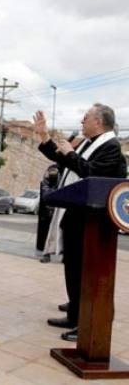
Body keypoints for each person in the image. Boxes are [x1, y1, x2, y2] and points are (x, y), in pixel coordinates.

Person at [33, 104, 126, 342]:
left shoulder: (111, 147)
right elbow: (64, 161)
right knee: (73, 268)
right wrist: (45, 136)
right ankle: (75, 312)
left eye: (86, 117)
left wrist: (71, 154)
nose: (82, 121)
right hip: (76, 217)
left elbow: (90, 173)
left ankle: (85, 322)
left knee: (85, 273)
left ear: (99, 122)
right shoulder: (87, 143)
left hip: (94, 223)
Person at [36, 164, 59, 263]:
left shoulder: (73, 166)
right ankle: (47, 253)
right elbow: (46, 186)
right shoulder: (54, 169)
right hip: (53, 207)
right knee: (48, 230)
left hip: (68, 206)